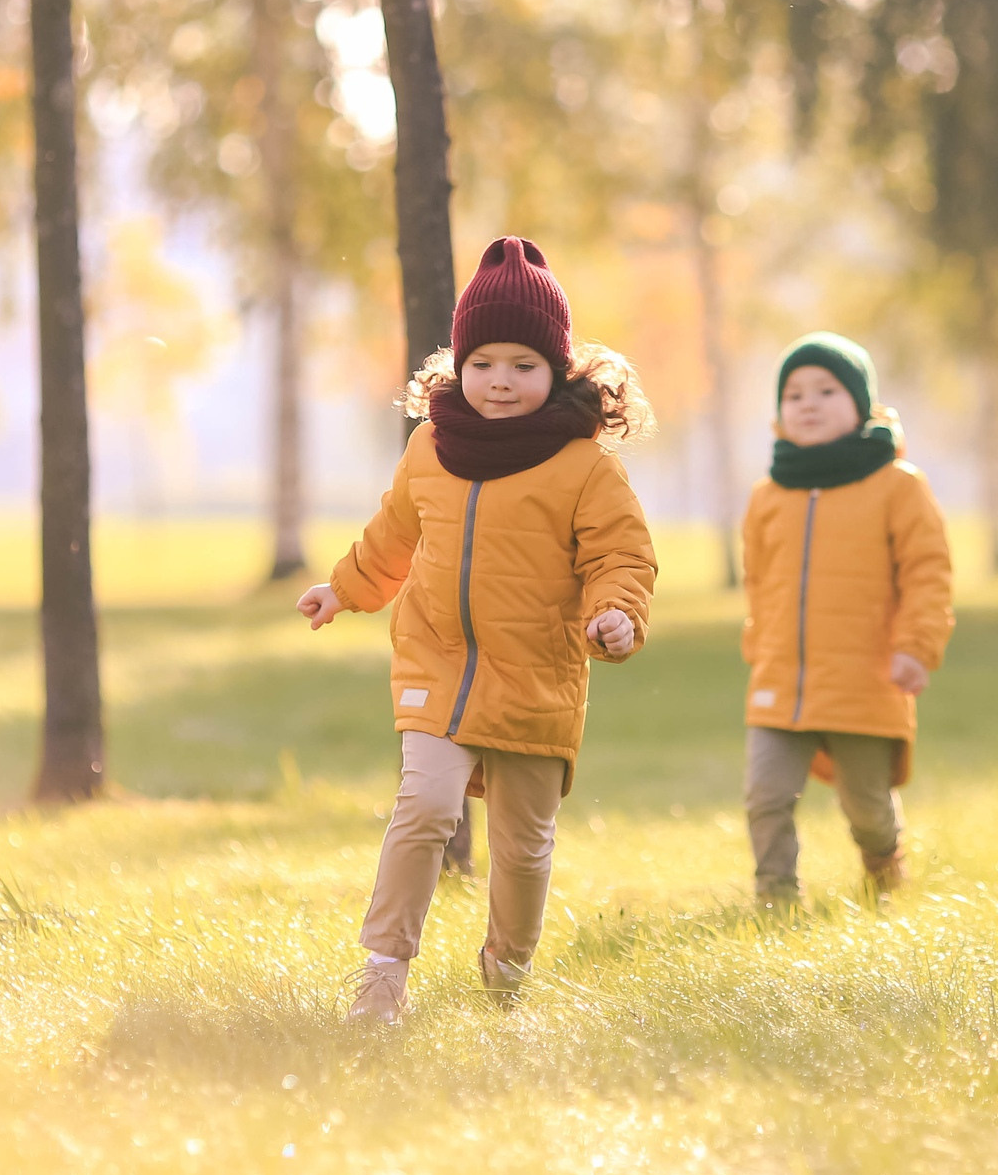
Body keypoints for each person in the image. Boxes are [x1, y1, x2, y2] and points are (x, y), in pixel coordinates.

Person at [299, 236, 657, 1024]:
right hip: (437, 660)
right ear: (458, 363)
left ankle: (507, 975)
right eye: (485, 360)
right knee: (425, 804)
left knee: (523, 847)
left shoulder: (583, 466)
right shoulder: (433, 444)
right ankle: (384, 971)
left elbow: (621, 554)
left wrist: (617, 612)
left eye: (524, 365)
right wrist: (347, 588)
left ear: (557, 371)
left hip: (535, 679)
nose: (501, 380)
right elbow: (393, 534)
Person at [739, 331, 953, 902]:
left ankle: (885, 869)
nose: (807, 403)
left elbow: (928, 574)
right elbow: (758, 582)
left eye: (826, 391)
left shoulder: (896, 485)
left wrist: (916, 647)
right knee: (766, 795)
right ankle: (775, 897)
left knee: (867, 806)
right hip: (781, 677)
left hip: (866, 675)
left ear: (861, 403)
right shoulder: (769, 494)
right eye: (794, 394)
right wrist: (758, 644)